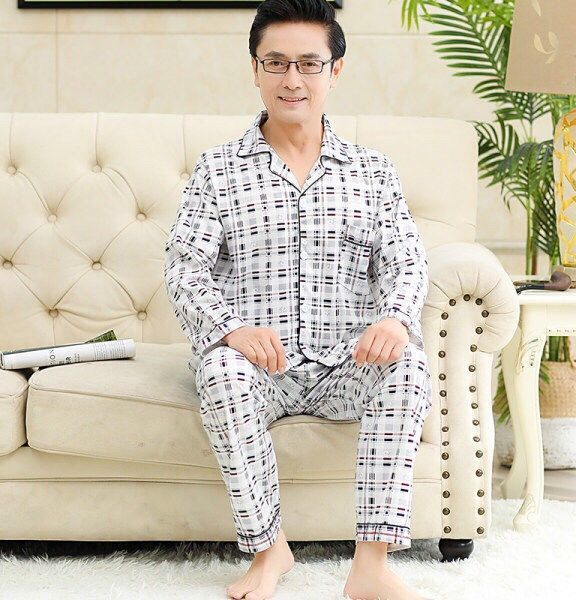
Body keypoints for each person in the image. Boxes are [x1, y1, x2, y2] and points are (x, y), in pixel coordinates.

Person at [164, 1, 433, 598]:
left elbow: (407, 262)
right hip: (259, 366)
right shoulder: (217, 170)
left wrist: (394, 318)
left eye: (309, 63)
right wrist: (232, 330)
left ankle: (371, 567)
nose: (293, 79)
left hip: (347, 364)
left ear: (335, 71)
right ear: (254, 69)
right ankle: (270, 551)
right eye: (276, 62)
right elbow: (185, 269)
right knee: (220, 372)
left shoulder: (373, 173)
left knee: (409, 365)